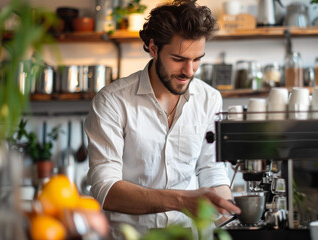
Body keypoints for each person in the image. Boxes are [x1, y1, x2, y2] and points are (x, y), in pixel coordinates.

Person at [84, 0, 240, 237]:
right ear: (154, 48)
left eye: (197, 59)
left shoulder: (210, 99)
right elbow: (106, 189)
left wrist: (225, 206)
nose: (189, 71)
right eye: (179, 59)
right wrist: (181, 200)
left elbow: (211, 168)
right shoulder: (112, 101)